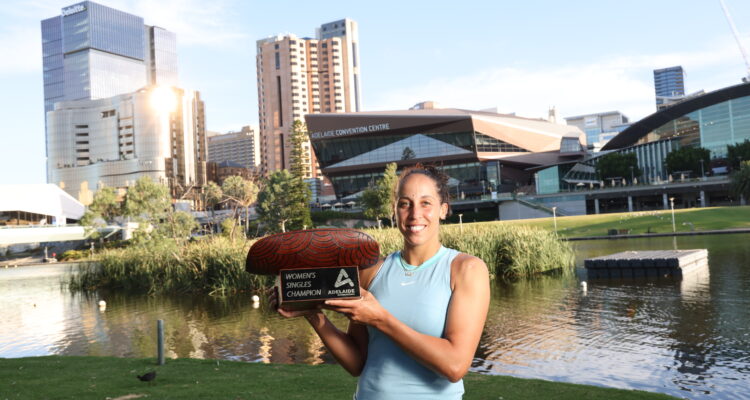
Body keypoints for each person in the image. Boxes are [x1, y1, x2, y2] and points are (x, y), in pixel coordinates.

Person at [273, 164, 490, 399]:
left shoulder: (466, 269)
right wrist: (313, 314)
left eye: (426, 203)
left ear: (443, 210)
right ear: (394, 210)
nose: (415, 214)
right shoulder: (372, 270)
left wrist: (381, 319)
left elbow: (455, 366)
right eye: (405, 203)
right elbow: (357, 363)